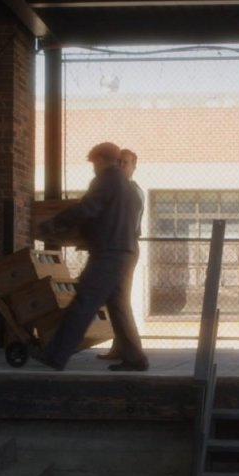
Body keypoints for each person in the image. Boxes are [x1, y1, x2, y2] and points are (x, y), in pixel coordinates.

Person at [32, 142, 148, 372]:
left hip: (108, 252)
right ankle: (135, 358)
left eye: (94, 163)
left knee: (85, 300)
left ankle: (56, 355)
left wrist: (54, 224)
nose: (93, 168)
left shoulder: (106, 180)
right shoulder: (128, 187)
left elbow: (88, 208)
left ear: (101, 160)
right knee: (117, 305)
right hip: (124, 251)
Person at [96, 148, 145, 362]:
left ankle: (133, 351)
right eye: (119, 162)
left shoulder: (132, 191)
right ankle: (120, 348)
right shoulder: (119, 189)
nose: (121, 166)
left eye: (126, 163)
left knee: (120, 300)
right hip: (117, 247)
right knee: (115, 299)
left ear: (134, 167)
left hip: (125, 247)